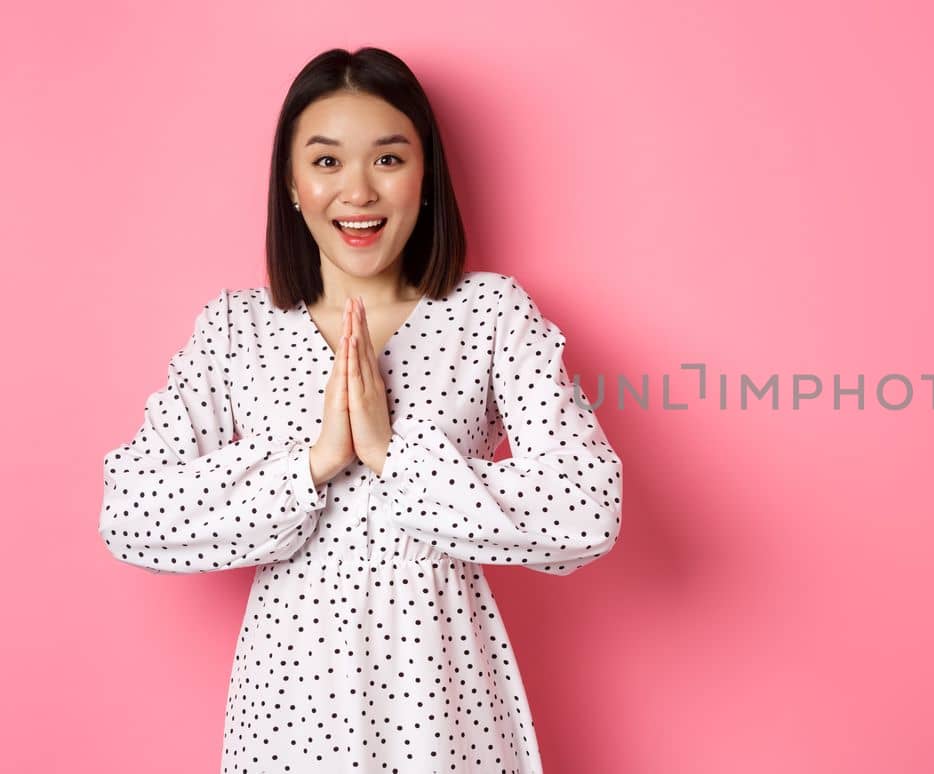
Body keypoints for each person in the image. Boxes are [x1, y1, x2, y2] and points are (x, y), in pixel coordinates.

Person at [97, 46, 623, 772]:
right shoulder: (235, 329)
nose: (358, 192)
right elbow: (130, 513)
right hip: (290, 708)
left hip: (442, 701)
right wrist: (313, 464)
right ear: (290, 181)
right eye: (325, 162)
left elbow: (588, 508)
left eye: (387, 159)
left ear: (426, 175)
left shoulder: (490, 315)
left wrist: (394, 456)